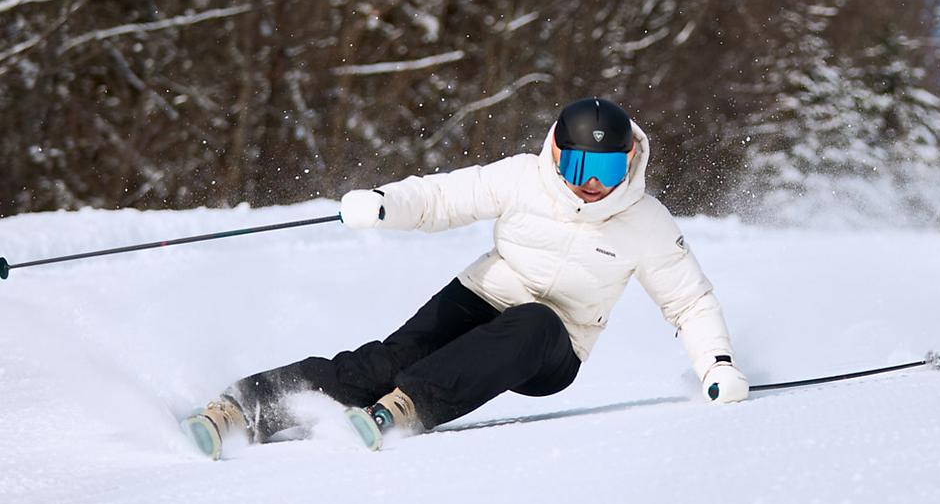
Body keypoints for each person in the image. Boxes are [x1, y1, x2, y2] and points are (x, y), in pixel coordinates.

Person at [181, 97, 749, 459]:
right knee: (379, 363)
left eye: (606, 170)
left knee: (534, 321)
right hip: (482, 297)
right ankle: (240, 409)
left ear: (630, 164)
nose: (592, 184)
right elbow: (441, 197)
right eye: (580, 167)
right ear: (556, 156)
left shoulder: (646, 223)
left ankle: (405, 408)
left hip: (552, 346)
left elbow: (689, 301)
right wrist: (383, 204)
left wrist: (716, 366)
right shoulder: (523, 179)